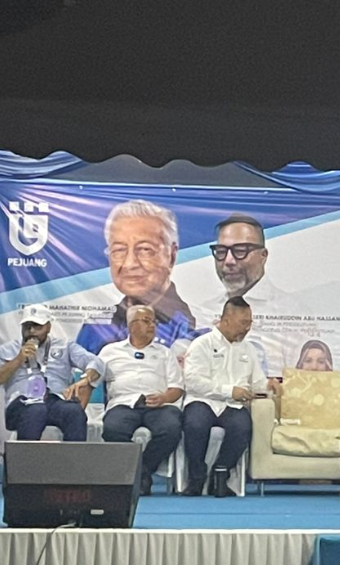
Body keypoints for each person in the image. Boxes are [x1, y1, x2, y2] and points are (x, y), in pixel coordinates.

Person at [189, 214, 315, 378]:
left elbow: (302, 379)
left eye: (240, 251)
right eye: (221, 251)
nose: (229, 261)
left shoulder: (293, 312)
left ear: (263, 256)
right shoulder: (203, 311)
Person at [77, 199, 196, 353]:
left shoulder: (194, 325)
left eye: (145, 249)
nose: (129, 263)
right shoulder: (94, 327)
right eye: (119, 250)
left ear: (171, 256)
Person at [181, 296, 266, 496]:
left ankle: (221, 474)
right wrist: (229, 391)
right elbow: (193, 381)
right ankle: (196, 478)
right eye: (243, 323)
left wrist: (269, 386)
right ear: (226, 320)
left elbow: (257, 382)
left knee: (242, 428)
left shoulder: (248, 349)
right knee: (195, 424)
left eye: (250, 323)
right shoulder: (201, 344)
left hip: (233, 406)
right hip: (203, 400)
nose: (247, 328)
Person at [98, 304, 184, 495]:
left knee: (171, 429)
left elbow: (177, 388)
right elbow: (93, 376)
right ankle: (141, 475)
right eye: (146, 321)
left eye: (153, 322)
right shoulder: (109, 351)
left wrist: (163, 398)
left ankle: (139, 472)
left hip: (159, 405)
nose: (152, 326)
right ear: (131, 326)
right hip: (123, 404)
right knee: (113, 430)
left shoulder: (165, 353)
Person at [0, 304, 104, 441]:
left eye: (37, 326)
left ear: (48, 327)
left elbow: (96, 363)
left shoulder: (65, 346)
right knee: (36, 410)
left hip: (55, 400)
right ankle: (26, 461)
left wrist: (85, 379)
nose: (31, 331)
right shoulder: (8, 349)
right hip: (21, 403)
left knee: (74, 412)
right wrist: (19, 359)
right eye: (27, 326)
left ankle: (74, 461)